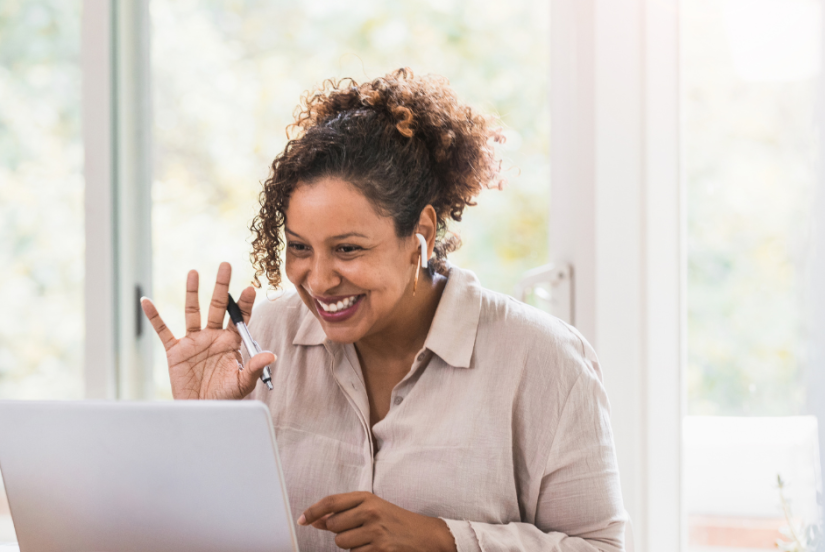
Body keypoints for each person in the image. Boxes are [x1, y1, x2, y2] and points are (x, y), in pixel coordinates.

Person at [141, 68, 626, 552]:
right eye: (300, 248)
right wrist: (200, 426)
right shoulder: (261, 340)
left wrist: (442, 539)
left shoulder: (543, 360)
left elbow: (600, 546)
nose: (320, 280)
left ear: (422, 235)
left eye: (348, 249)